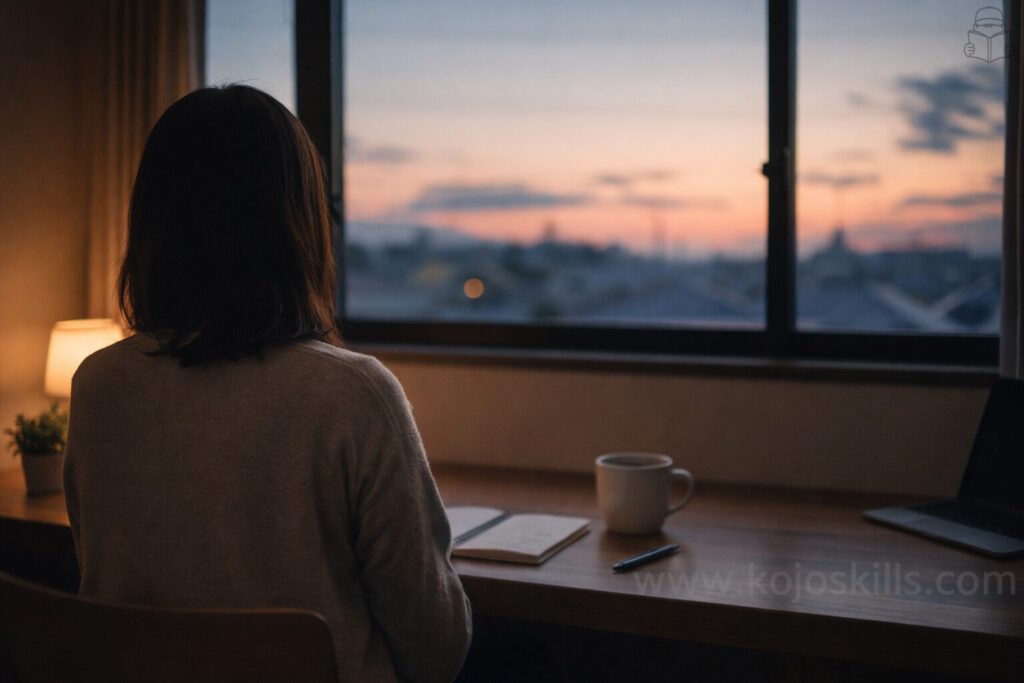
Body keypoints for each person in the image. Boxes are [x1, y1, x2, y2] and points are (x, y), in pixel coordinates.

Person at [63, 85, 472, 683]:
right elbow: (437, 648)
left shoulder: (98, 386)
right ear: (296, 226)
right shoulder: (354, 396)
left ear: (150, 223)